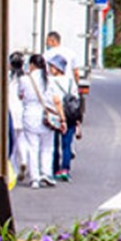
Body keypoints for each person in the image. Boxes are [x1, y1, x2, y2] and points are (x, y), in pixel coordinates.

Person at [17, 52, 57, 188]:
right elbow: (54, 99)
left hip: (30, 115)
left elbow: (20, 95)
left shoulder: (24, 79)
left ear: (32, 65)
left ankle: (35, 178)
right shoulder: (49, 79)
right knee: (47, 147)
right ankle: (47, 173)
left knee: (32, 147)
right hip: (47, 116)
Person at [47, 52, 80, 181]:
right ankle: (65, 169)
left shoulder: (50, 81)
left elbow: (52, 99)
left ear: (57, 68)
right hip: (71, 115)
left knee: (54, 144)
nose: (50, 69)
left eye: (52, 66)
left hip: (56, 114)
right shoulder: (71, 82)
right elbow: (76, 98)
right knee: (67, 144)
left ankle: (55, 169)